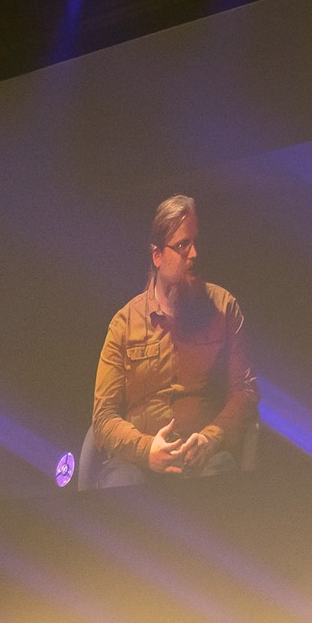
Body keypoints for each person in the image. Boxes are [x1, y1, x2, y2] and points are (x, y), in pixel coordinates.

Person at [91, 195, 258, 486]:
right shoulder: (124, 324)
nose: (194, 254)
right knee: (122, 485)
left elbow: (245, 392)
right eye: (182, 245)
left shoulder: (224, 308)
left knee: (218, 480)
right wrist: (146, 450)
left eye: (196, 242)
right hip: (137, 464)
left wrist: (211, 438)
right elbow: (103, 417)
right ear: (157, 255)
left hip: (204, 459)